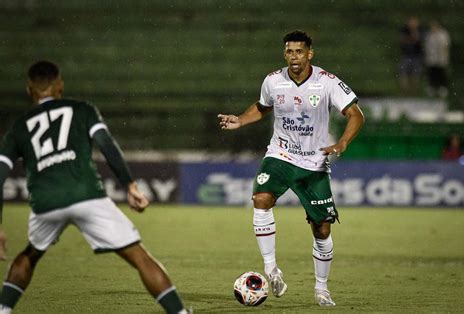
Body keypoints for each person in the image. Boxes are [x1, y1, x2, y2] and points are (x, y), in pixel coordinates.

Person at [0, 61, 189, 314]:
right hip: (86, 195)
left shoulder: (18, 127)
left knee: (30, 254)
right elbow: (106, 144)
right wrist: (130, 185)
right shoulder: (82, 110)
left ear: (29, 89)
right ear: (59, 85)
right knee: (139, 256)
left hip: (45, 202)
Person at [218, 30, 364, 307]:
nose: (294, 57)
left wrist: (343, 142)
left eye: (299, 51)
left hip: (314, 162)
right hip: (280, 155)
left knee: (321, 228)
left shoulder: (328, 82)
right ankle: (271, 269)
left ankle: (321, 288)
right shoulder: (273, 81)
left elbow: (356, 114)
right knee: (261, 199)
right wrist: (240, 119)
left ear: (310, 53)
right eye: (289, 51)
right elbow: (262, 107)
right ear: (284, 54)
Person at [424, 20, 450, 98]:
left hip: (441, 59)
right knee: (432, 74)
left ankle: (442, 90)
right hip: (431, 59)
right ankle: (432, 90)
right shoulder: (429, 35)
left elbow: (446, 45)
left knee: (441, 74)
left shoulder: (443, 34)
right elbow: (427, 47)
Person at [399, 17, 423, 93]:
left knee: (415, 73)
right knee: (403, 72)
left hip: (416, 55)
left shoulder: (420, 30)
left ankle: (414, 89)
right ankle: (404, 89)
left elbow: (418, 40)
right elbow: (404, 41)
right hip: (406, 55)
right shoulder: (404, 30)